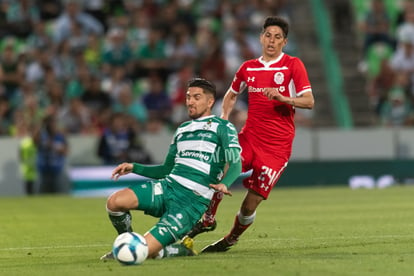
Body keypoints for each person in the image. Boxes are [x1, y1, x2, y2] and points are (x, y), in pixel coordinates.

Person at [184, 16, 315, 252]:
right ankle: (208, 218)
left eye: (277, 37)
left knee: (249, 205)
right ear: (261, 38)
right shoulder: (248, 68)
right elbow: (231, 94)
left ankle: (230, 239)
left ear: (284, 42)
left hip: (277, 148)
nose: (271, 41)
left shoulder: (292, 65)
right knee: (222, 165)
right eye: (268, 35)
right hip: (250, 137)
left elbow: (309, 101)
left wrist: (284, 98)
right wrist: (223, 121)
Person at [100, 78, 242, 261]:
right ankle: (127, 242)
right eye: (188, 97)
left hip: (191, 201)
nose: (190, 101)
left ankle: (181, 250)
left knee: (145, 252)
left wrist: (224, 183)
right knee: (114, 202)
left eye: (196, 97)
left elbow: (236, 163)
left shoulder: (223, 127)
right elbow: (166, 170)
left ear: (210, 102)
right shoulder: (182, 129)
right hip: (167, 187)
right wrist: (134, 167)